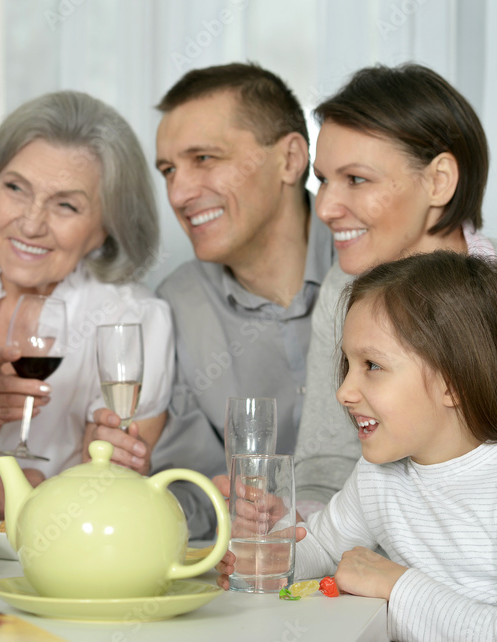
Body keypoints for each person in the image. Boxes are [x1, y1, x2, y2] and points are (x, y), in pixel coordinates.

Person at [217, 251, 497, 641]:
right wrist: (269, 550)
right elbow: (322, 548)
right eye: (348, 365)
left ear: (452, 382)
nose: (344, 391)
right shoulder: (378, 477)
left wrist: (397, 584)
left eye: (373, 366)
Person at [0, 90, 174, 522]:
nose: (30, 223)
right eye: (15, 188)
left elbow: (105, 508)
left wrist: (62, 496)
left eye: (66, 205)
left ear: (107, 227)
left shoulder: (134, 320)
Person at [293, 63, 495, 512]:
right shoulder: (343, 290)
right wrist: (294, 518)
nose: (325, 207)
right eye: (322, 180)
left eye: (356, 179)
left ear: (438, 180)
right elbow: (326, 460)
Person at [145, 63, 334, 538]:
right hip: (259, 582)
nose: (180, 192)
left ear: (291, 159)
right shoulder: (176, 305)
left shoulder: (377, 267)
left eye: (205, 159)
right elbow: (199, 499)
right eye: (168, 170)